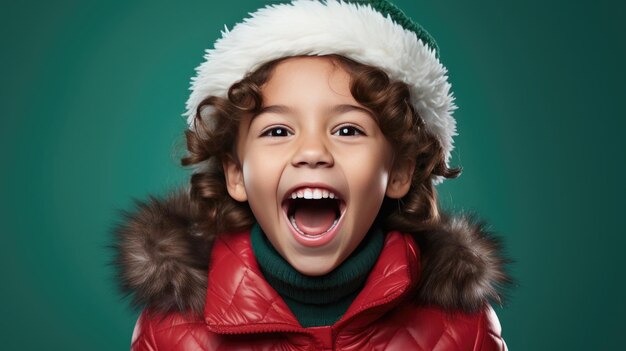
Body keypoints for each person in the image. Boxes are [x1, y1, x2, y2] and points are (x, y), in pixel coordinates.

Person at [113, 1, 511, 350]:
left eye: (348, 130)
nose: (312, 152)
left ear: (400, 171)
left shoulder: (464, 331)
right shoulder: (170, 334)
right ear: (235, 173)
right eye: (278, 131)